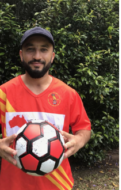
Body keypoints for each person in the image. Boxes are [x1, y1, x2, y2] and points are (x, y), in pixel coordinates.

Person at [0, 27, 91, 190]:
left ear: (52, 56)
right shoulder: (3, 93)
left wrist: (78, 140)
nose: (37, 56)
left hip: (58, 185)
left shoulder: (68, 94)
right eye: (30, 49)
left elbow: (83, 128)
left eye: (44, 49)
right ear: (21, 55)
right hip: (12, 186)